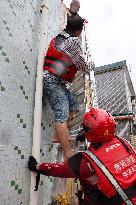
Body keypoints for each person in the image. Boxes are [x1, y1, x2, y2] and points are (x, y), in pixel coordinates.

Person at [28, 108, 136, 205]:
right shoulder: (124, 143)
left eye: (85, 129)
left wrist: (36, 166)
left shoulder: (85, 162)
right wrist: (88, 134)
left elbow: (59, 169)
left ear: (89, 132)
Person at [43, 8, 88, 158]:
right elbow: (82, 66)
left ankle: (59, 135)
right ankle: (68, 152)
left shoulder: (61, 36)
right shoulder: (73, 42)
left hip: (55, 79)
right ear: (79, 31)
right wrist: (91, 65)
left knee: (74, 105)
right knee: (61, 116)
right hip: (52, 79)